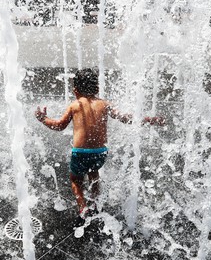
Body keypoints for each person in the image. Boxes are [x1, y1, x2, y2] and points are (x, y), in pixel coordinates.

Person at [35, 68, 165, 220]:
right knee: (93, 174)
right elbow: (125, 118)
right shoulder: (104, 104)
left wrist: (43, 119)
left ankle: (83, 208)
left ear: (75, 91)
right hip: (100, 153)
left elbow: (59, 126)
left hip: (80, 153)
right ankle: (95, 204)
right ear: (97, 89)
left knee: (75, 180)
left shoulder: (75, 105)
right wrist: (150, 120)